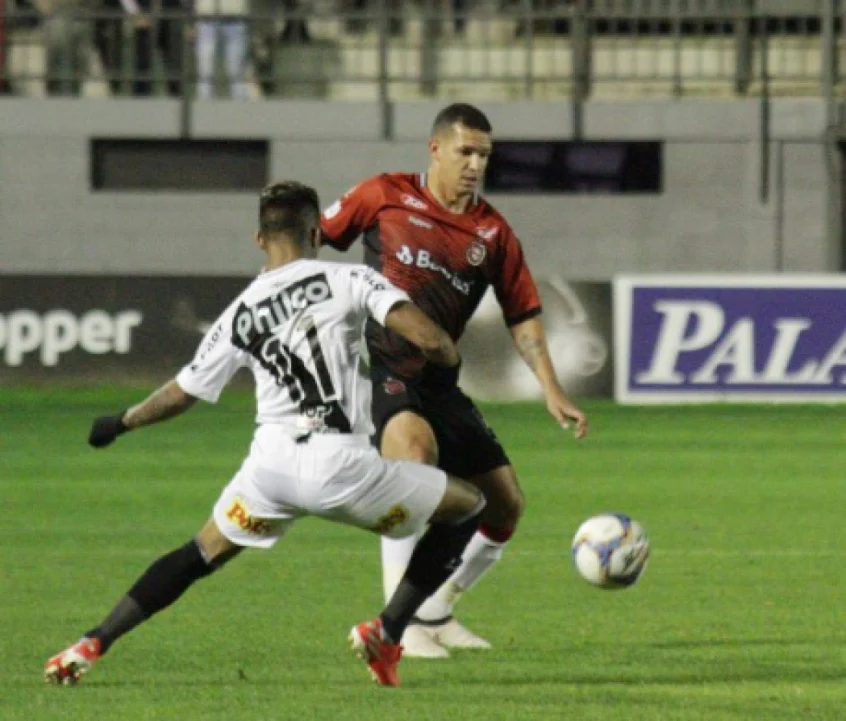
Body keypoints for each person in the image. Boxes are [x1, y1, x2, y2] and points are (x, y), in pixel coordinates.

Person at [43, 180, 486, 688]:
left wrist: (120, 422)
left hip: (270, 469)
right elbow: (431, 338)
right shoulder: (347, 279)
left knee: (201, 552)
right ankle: (388, 631)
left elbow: (180, 393)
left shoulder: (239, 311)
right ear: (317, 232)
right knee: (468, 506)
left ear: (260, 240)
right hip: (340, 467)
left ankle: (91, 642)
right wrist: (445, 372)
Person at [320, 103, 589, 658]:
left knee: (506, 504)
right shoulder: (383, 194)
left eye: (484, 155)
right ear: (435, 148)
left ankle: (437, 608)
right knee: (413, 465)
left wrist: (552, 388)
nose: (474, 164)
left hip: (441, 382)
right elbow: (316, 236)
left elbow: (523, 315)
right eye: (465, 151)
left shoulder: (491, 232)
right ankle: (398, 624)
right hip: (386, 370)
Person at [194, 0, 249, 100]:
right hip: (207, 17)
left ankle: (240, 107)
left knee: (236, 67)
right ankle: (204, 106)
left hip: (234, 17)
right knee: (205, 67)